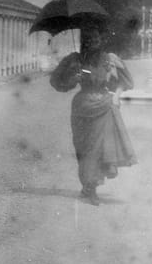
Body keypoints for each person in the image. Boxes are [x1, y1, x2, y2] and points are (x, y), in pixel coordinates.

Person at [50, 25, 137, 206]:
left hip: (104, 107)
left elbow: (127, 81)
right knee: (83, 148)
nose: (93, 44)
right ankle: (87, 184)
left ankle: (92, 188)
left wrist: (116, 96)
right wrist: (75, 76)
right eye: (89, 41)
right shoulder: (75, 60)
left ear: (102, 41)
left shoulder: (110, 60)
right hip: (82, 107)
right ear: (84, 43)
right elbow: (58, 83)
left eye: (96, 41)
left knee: (96, 149)